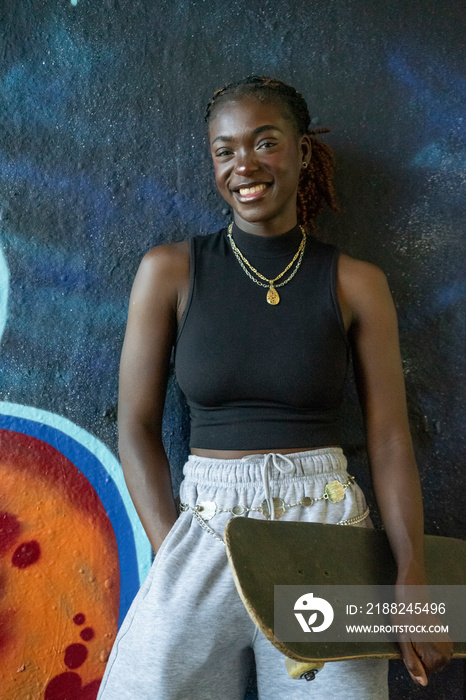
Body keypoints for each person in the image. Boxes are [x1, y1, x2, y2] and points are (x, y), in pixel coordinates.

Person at [97, 76, 452, 700]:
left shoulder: (356, 283)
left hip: (325, 527)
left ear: (302, 152)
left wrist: (412, 575)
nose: (245, 166)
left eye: (265, 143)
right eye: (225, 150)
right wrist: (170, 550)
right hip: (205, 526)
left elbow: (392, 440)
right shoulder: (169, 271)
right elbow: (135, 428)